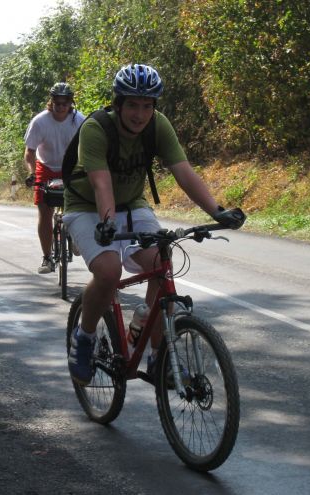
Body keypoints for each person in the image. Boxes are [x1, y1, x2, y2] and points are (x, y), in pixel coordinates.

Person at [64, 63, 245, 385]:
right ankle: (85, 336)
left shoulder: (157, 126)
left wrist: (217, 211)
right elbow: (101, 184)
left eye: (147, 106)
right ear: (118, 104)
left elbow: (183, 171)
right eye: (132, 105)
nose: (139, 114)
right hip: (87, 206)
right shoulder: (96, 129)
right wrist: (107, 224)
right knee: (108, 272)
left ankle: (157, 352)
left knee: (162, 261)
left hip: (132, 204)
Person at [24, 82, 85, 274]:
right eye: (57, 103)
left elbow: (88, 149)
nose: (60, 107)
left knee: (78, 206)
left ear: (70, 103)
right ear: (51, 102)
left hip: (71, 166)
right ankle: (47, 258)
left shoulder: (79, 121)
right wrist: (32, 173)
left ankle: (75, 237)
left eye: (64, 104)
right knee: (45, 212)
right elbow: (29, 152)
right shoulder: (40, 121)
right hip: (46, 166)